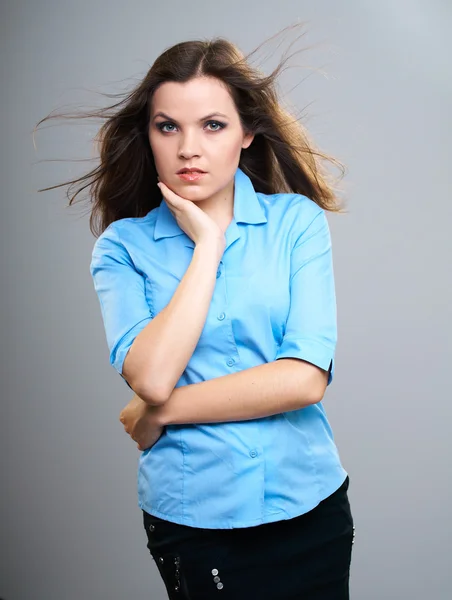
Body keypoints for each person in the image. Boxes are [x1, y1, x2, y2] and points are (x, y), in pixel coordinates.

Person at [39, 30, 354, 600]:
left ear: (246, 133)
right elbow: (153, 376)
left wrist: (160, 413)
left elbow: (305, 378)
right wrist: (207, 247)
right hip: (196, 518)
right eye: (168, 127)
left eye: (212, 125)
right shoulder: (122, 249)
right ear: (150, 136)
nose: (189, 147)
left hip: (310, 502)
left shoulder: (296, 224)